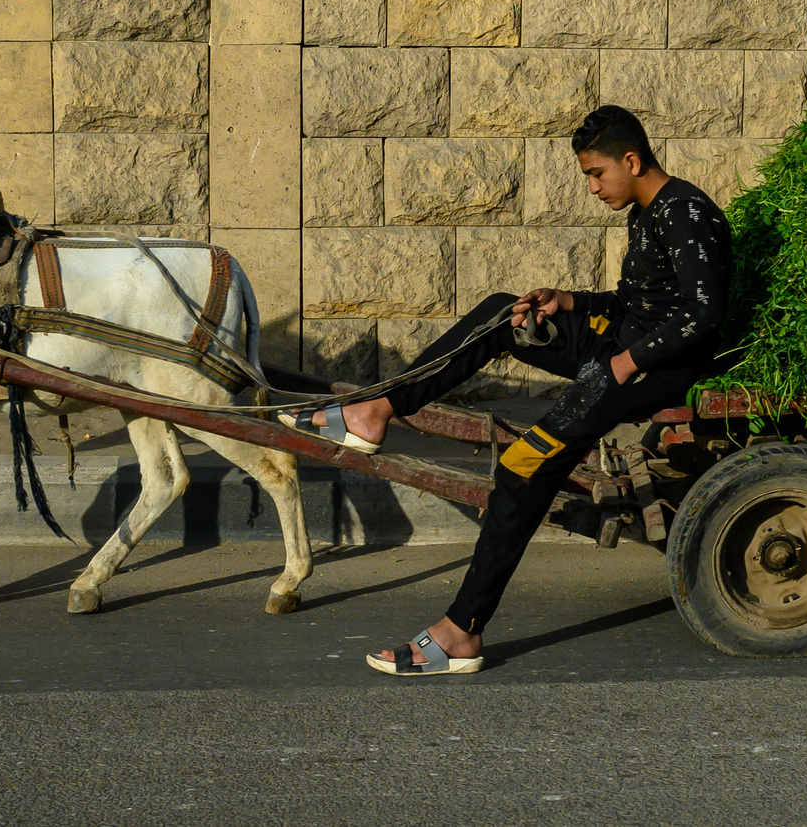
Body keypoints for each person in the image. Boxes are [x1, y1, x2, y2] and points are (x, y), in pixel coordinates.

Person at [286, 104, 733, 676]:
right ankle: (378, 410)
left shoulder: (686, 213)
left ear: (631, 158)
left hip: (654, 369)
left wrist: (624, 363)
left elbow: (703, 317)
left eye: (596, 174)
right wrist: (568, 303)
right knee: (504, 313)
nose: (592, 188)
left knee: (522, 467)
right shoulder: (646, 211)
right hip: (623, 345)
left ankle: (462, 632)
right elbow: (640, 306)